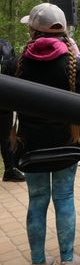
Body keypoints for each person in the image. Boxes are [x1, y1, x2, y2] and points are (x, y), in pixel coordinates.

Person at [15, 3, 80, 265]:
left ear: (33, 32)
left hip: (29, 142)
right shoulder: (74, 62)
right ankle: (68, 262)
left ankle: (38, 263)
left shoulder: (18, 61)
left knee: (37, 199)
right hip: (64, 140)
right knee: (64, 196)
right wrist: (78, 56)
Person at [0, 38, 25, 182]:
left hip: (4, 101)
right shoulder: (5, 45)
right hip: (4, 100)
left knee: (5, 137)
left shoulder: (5, 45)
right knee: (5, 137)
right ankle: (10, 169)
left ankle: (10, 169)